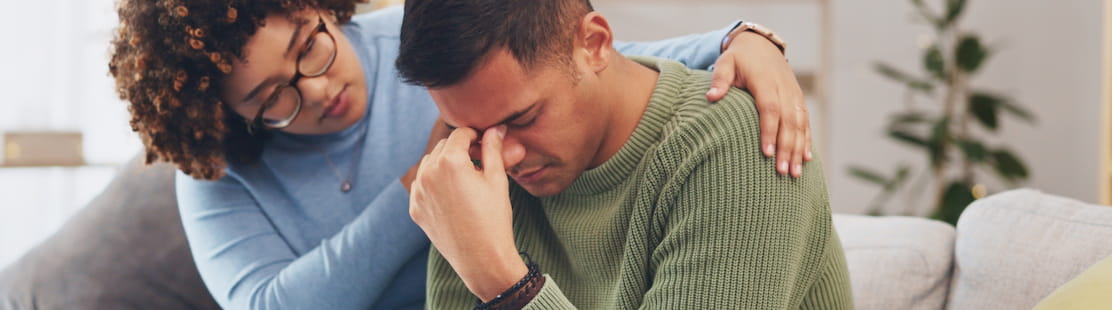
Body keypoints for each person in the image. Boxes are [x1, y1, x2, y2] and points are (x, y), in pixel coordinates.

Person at [107, 0, 813, 309]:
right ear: (229, 119)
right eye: (271, 99)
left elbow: (587, 62)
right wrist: (423, 192)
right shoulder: (220, 178)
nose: (318, 89)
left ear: (319, 6)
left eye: (311, 46)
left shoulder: (431, 63)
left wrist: (739, 40)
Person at [397, 0, 853, 309]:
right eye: (471, 130)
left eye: (523, 118)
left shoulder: (731, 146)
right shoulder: (471, 170)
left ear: (594, 45)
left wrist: (506, 284)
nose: (506, 156)